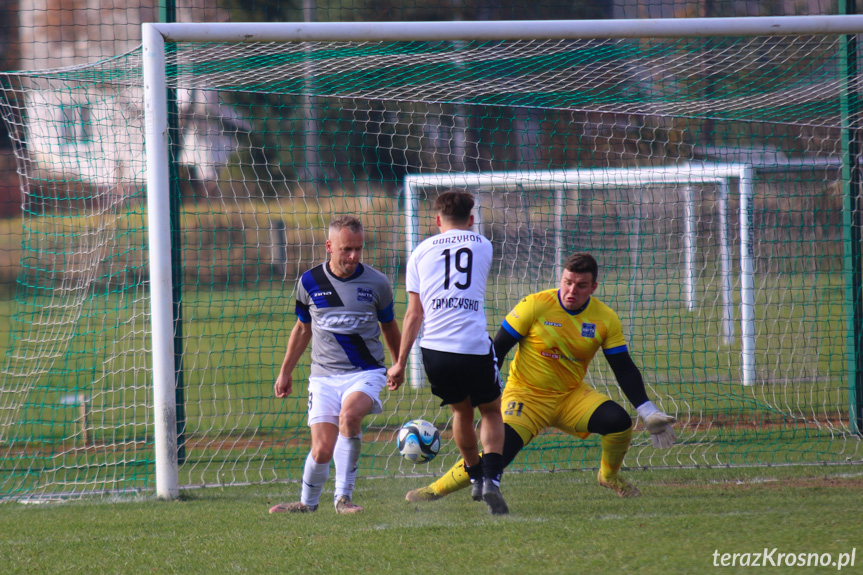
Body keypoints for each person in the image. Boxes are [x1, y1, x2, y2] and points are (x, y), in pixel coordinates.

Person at [405, 252, 676, 504]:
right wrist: (484, 392)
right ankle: (434, 491)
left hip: (570, 397)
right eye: (567, 282)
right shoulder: (535, 305)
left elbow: (623, 367)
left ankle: (609, 477)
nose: (572, 290)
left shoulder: (606, 318)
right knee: (498, 453)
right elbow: (496, 350)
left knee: (618, 422)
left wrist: (647, 410)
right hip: (525, 397)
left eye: (581, 285)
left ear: (594, 287)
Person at [269, 215, 401, 515]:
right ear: (329, 246)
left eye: (358, 249)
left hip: (365, 373)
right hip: (323, 377)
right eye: (346, 249)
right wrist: (286, 371)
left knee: (349, 416)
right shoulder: (309, 282)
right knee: (322, 450)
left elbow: (389, 326)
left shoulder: (377, 283)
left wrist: (399, 363)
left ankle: (343, 499)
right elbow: (303, 329)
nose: (353, 256)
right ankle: (307, 504)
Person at [387, 191, 509, 515]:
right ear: (471, 219)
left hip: (435, 351)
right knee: (492, 411)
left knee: (461, 413)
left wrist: (399, 362)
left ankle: (473, 473)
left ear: (437, 220)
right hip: (472, 346)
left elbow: (414, 314)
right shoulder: (484, 245)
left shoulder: (419, 253)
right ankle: (492, 479)